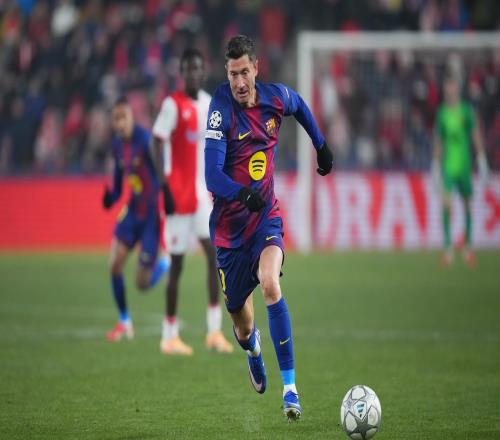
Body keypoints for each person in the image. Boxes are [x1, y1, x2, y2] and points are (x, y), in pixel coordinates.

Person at [204, 35, 333, 420]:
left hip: (265, 220)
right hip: (229, 234)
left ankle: (290, 389)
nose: (239, 82)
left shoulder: (275, 98)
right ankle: (254, 349)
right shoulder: (220, 108)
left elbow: (301, 105)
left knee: (271, 283)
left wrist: (321, 145)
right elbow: (212, 175)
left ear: (256, 68)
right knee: (243, 328)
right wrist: (242, 193)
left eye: (244, 72)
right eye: (232, 74)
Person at [152, 48, 233, 355]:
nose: (193, 73)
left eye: (197, 68)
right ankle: (169, 336)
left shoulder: (210, 104)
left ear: (203, 71)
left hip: (201, 195)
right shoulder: (172, 105)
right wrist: (164, 187)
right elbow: (156, 143)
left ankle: (214, 331)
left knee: (214, 254)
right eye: (188, 69)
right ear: (182, 73)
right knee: (177, 264)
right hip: (177, 195)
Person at [103, 97, 170, 342]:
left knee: (141, 283)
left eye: (124, 117)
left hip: (151, 216)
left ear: (132, 117)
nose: (120, 124)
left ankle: (164, 264)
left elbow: (162, 173)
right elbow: (119, 184)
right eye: (116, 119)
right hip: (132, 211)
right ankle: (124, 322)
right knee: (114, 264)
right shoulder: (117, 146)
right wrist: (110, 198)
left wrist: (167, 201)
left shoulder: (146, 141)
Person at [432, 72, 489, 266]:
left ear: (457, 88)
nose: (449, 90)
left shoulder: (466, 111)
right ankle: (448, 249)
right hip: (448, 166)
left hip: (464, 166)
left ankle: (468, 248)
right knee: (446, 204)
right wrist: (435, 165)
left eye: (452, 86)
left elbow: (475, 134)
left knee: (467, 205)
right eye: (447, 86)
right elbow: (439, 141)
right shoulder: (442, 113)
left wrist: (481, 159)